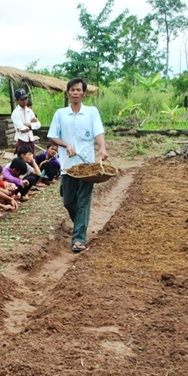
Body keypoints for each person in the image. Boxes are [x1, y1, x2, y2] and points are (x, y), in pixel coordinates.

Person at [48, 77, 108, 253]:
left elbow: (98, 132)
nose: (75, 93)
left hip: (86, 165)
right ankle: (80, 224)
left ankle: (79, 239)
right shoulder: (60, 114)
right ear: (68, 93)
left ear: (84, 93)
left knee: (83, 202)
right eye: (72, 90)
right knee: (68, 201)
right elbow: (52, 136)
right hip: (68, 165)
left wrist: (102, 148)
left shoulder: (91, 112)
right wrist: (66, 145)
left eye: (78, 90)